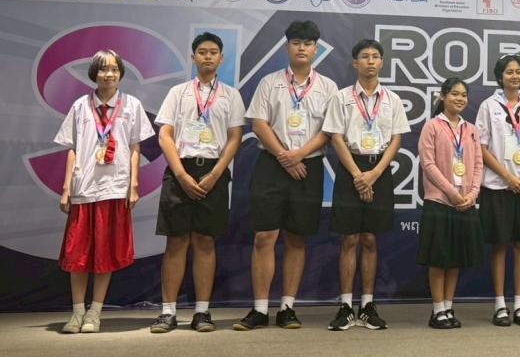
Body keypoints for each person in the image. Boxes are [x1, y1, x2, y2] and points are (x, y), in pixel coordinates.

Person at [234, 20, 338, 331]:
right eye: (296, 42)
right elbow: (258, 124)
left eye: (307, 43)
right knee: (264, 236)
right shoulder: (270, 82)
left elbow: (330, 130)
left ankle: (287, 308)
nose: (302, 48)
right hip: (271, 165)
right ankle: (259, 309)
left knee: (296, 237)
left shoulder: (328, 87)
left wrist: (299, 155)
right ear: (287, 47)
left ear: (315, 49)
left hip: (309, 167)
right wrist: (284, 156)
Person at [150, 33, 245, 333]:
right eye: (202, 52)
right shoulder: (178, 93)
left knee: (205, 241)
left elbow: (235, 138)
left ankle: (202, 312)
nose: (207, 56)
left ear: (221, 58)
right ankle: (167, 312)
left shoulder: (231, 95)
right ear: (193, 58)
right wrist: (181, 174)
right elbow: (165, 135)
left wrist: (216, 174)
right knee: (176, 242)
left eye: (213, 52)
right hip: (180, 171)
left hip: (213, 173)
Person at [55, 49, 155, 334]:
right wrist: (66, 188)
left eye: (114, 69)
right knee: (78, 254)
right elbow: (72, 149)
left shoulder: (132, 105)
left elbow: (135, 148)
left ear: (120, 73)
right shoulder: (80, 106)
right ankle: (77, 313)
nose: (108, 74)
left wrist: (133, 186)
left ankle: (95, 313)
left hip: (115, 188)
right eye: (103, 69)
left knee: (105, 254)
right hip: (84, 188)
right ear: (94, 73)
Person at [324, 38, 411, 331]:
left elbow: (397, 139)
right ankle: (346, 306)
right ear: (355, 63)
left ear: (382, 63)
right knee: (349, 239)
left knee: (371, 239)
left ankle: (368, 305)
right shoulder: (341, 97)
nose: (370, 61)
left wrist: (374, 174)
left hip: (379, 169)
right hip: (351, 167)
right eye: (365, 56)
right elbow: (336, 137)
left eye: (375, 56)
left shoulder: (392, 100)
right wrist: (357, 175)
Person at [475, 53, 520, 327]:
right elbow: (481, 147)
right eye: (509, 72)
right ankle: (500, 305)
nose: (515, 76)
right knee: (500, 244)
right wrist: (507, 176)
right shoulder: (488, 106)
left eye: (518, 72)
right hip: (497, 185)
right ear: (500, 76)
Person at [416, 77, 485, 329]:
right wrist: (450, 192)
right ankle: (437, 311)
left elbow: (478, 165)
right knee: (439, 259)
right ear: (443, 96)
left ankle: (448, 307)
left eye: (463, 95)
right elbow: (428, 164)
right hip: (440, 201)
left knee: (455, 259)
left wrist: (472, 194)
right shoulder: (432, 127)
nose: (460, 98)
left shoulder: (471, 129)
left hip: (464, 203)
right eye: (454, 93)